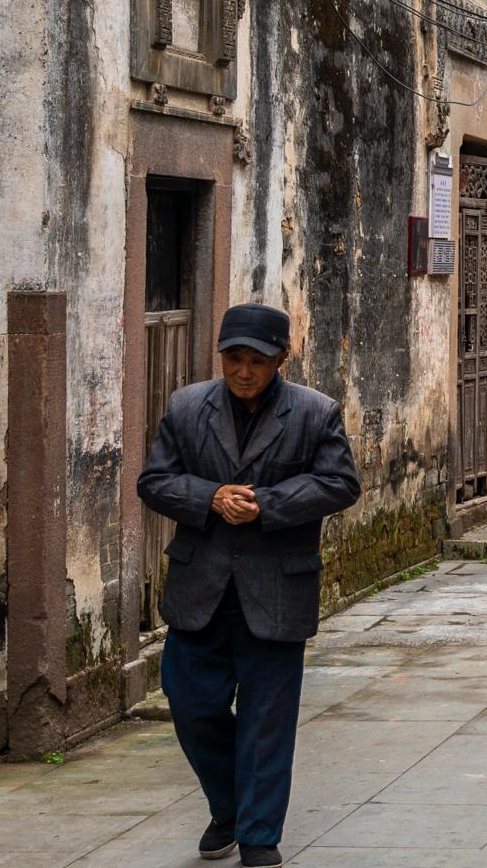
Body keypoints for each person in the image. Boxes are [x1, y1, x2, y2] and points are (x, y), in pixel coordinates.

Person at [137, 302, 360, 868]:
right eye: (233, 359)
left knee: (267, 718)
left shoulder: (316, 413)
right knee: (190, 704)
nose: (242, 371)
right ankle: (230, 806)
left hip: (277, 590)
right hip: (199, 587)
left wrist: (266, 505)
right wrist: (208, 497)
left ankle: (258, 835)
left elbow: (339, 483)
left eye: (255, 361)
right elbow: (154, 481)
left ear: (281, 358)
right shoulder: (187, 407)